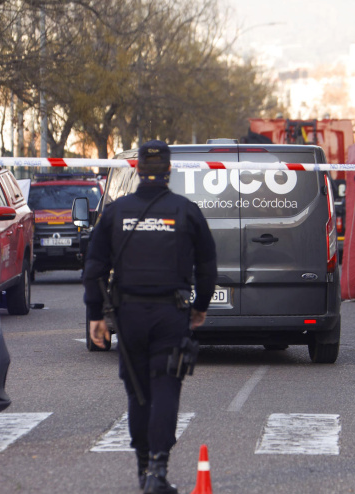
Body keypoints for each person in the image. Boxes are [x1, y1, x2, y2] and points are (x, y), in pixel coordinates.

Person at [83, 140, 217, 493]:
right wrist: (201, 306)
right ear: (169, 172)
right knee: (165, 387)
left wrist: (95, 314)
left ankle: (143, 470)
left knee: (138, 392)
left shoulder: (115, 212)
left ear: (137, 170)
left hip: (127, 316)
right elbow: (207, 266)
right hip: (170, 314)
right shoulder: (186, 211)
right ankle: (157, 471)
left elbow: (95, 266)